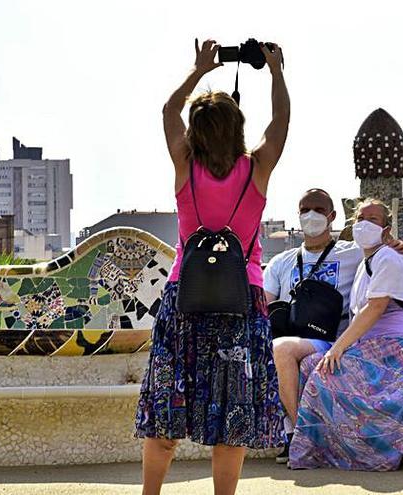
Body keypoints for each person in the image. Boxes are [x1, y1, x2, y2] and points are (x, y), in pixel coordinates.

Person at [134, 38, 289, 495]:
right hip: (242, 305)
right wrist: (277, 72)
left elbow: (168, 111)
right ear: (237, 129)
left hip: (186, 301)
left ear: (197, 132)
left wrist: (200, 68)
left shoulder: (185, 167)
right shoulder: (256, 169)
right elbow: (280, 122)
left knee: (167, 412)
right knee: (231, 418)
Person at [263, 189, 403, 465]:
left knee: (281, 350)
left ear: (332, 216)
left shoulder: (352, 253)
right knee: (277, 348)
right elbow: (263, 306)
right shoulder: (280, 263)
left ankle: (299, 434)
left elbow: (387, 260)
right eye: (305, 209)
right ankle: (296, 431)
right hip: (294, 335)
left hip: (333, 340)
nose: (312, 215)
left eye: (319, 210)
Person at [288, 199, 403, 471]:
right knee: (309, 365)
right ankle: (323, 449)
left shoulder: (388, 257)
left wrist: (337, 347)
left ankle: (365, 453)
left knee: (324, 371)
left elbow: (376, 307)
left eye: (373, 219)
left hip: (396, 350)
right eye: (360, 219)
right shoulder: (366, 260)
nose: (364, 224)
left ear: (386, 229)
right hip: (372, 346)